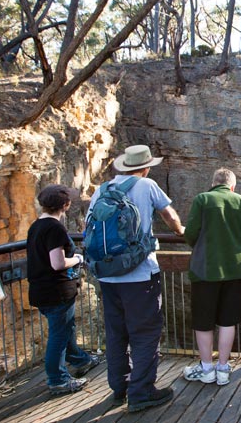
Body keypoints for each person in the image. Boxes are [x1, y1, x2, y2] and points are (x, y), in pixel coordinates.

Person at [88, 145, 185, 412]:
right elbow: (169, 216)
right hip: (140, 276)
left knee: (116, 332)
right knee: (144, 334)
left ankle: (119, 388)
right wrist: (180, 230)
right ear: (146, 167)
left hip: (108, 276)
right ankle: (141, 392)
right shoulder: (147, 186)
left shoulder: (102, 189)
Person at [182, 168, 241, 386]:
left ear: (213, 183)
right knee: (228, 320)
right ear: (232, 186)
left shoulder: (202, 199)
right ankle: (223, 369)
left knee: (203, 321)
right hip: (234, 271)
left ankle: (207, 368)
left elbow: (190, 234)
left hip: (204, 271)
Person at [27, 184, 101, 396]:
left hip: (41, 289)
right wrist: (77, 258)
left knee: (65, 329)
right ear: (66, 205)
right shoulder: (54, 228)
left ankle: (81, 360)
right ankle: (58, 380)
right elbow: (57, 263)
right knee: (59, 335)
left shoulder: (36, 226)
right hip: (56, 290)